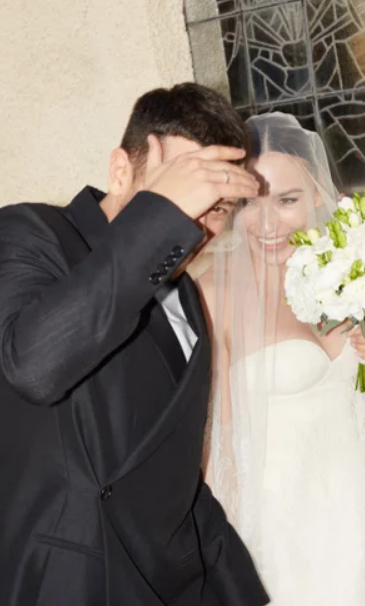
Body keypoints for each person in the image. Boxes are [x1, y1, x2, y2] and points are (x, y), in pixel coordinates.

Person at [0, 83, 269, 606]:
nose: (197, 224)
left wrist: (233, 586)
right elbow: (33, 367)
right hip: (66, 580)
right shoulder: (31, 232)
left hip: (164, 580)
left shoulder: (186, 298)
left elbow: (172, 469)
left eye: (219, 206)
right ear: (120, 171)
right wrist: (163, 215)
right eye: (185, 192)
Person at [198, 113, 365, 605]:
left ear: (318, 192)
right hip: (277, 526)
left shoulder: (357, 271)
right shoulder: (213, 294)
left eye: (286, 200)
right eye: (250, 202)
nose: (267, 222)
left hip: (357, 503)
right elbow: (215, 441)